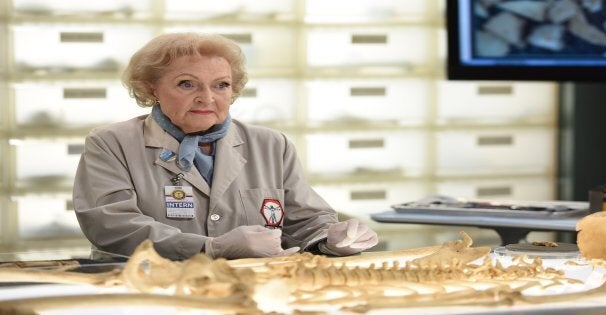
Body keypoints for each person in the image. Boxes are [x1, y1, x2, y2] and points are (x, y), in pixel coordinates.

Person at [72, 32, 378, 261]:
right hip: (147, 289)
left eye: (221, 85)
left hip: (253, 291)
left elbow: (307, 221)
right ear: (151, 88)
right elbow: (112, 226)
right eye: (186, 84)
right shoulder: (112, 143)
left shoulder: (272, 144)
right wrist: (210, 248)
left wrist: (331, 239)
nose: (207, 97)